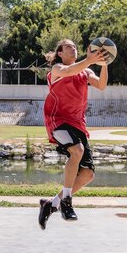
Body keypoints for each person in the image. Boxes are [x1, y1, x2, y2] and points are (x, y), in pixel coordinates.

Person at [38, 38, 108, 230]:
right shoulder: (57, 69)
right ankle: (66, 202)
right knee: (76, 151)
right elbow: (70, 71)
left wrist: (104, 63)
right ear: (60, 53)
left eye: (75, 47)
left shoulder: (86, 71)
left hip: (78, 123)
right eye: (68, 47)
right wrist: (89, 59)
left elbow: (101, 85)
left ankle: (51, 204)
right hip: (58, 120)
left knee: (87, 174)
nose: (73, 49)